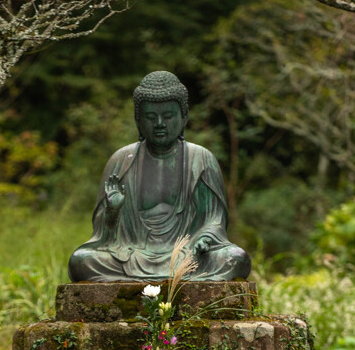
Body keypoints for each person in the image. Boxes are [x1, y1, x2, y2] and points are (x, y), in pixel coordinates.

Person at [68, 71, 251, 283]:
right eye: (151, 117)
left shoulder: (201, 159)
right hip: (131, 254)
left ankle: (154, 282)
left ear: (184, 117)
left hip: (187, 256)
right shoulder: (121, 160)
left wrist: (204, 238)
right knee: (81, 261)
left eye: (168, 116)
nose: (160, 123)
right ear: (138, 120)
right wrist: (113, 211)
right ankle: (173, 282)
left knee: (235, 259)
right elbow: (104, 234)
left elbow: (214, 219)